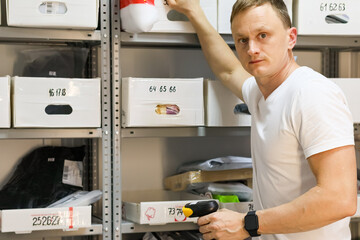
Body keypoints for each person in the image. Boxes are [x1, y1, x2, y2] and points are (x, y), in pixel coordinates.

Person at [166, 0, 357, 239]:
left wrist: (248, 224)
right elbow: (229, 70)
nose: (252, 49)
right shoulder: (261, 91)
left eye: (263, 35)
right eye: (242, 40)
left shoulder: (311, 94)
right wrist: (194, 12)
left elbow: (340, 199)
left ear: (291, 38)